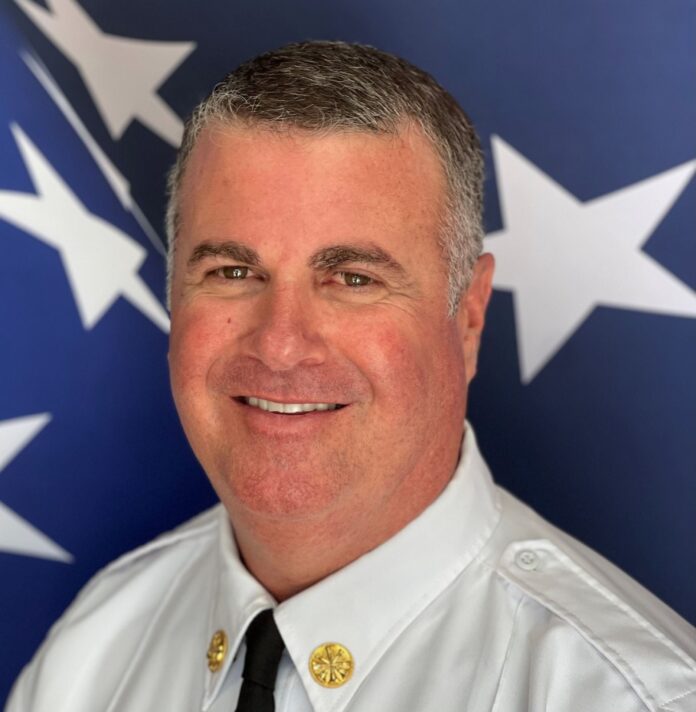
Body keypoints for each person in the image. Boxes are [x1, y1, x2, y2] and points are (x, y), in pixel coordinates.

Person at [7, 40, 696, 712]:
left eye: (353, 278)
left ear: (468, 318)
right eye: (233, 272)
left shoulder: (628, 693)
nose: (279, 345)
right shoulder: (93, 650)